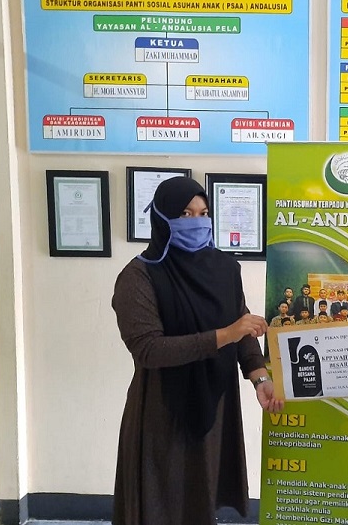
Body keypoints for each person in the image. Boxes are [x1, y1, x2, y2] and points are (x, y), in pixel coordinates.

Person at [111, 177, 283, 525]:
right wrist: (224, 335)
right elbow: (149, 349)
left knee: (201, 500)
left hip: (215, 404)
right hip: (163, 408)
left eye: (203, 213)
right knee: (162, 503)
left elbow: (242, 324)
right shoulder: (139, 276)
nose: (197, 222)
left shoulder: (224, 268)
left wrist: (259, 376)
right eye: (185, 214)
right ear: (162, 218)